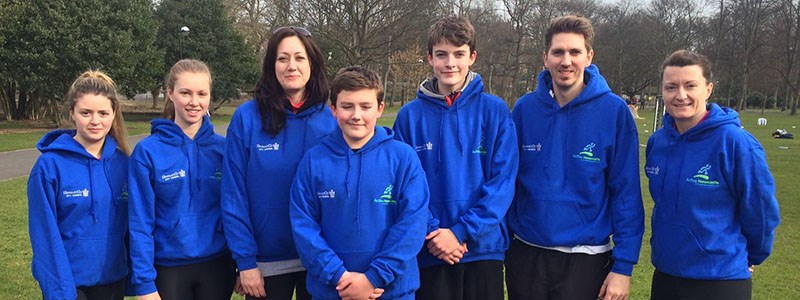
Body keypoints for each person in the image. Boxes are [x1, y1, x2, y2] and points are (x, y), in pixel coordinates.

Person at [506, 15, 645, 300]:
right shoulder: (524, 110)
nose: (565, 61)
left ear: (589, 56)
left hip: (587, 258)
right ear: (546, 58)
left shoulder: (614, 112)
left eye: (574, 52)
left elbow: (626, 193)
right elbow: (508, 182)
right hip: (527, 255)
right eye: (558, 52)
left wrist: (624, 267)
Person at [392, 16, 519, 300]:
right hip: (430, 250)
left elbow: (503, 183)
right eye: (442, 54)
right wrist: (434, 233)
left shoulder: (495, 111)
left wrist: (462, 231)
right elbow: (403, 187)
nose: (450, 63)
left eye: (459, 54)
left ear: (472, 57)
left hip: (482, 250)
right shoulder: (408, 118)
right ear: (429, 58)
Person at [645, 50, 781, 300]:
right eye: (671, 87)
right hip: (667, 275)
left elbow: (760, 211)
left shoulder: (736, 143)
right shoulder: (658, 143)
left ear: (708, 89)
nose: (680, 95)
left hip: (720, 280)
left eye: (690, 85)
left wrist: (752, 255)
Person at [290, 65, 429, 300]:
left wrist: (374, 277)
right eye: (347, 106)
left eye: (365, 106)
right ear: (333, 109)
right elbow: (304, 226)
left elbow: (412, 225)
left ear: (380, 109)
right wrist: (339, 277)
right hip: (332, 291)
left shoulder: (403, 158)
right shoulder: (314, 160)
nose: (356, 115)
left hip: (391, 291)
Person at [221, 25, 335, 300]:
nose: (291, 66)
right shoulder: (247, 118)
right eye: (282, 58)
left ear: (312, 63)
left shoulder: (332, 119)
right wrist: (245, 262)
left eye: (299, 58)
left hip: (323, 259)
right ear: (272, 65)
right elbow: (233, 194)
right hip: (266, 263)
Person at [128, 59, 235, 300]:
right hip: (168, 268)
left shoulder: (224, 149)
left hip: (218, 265)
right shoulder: (147, 152)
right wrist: (144, 282)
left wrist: (243, 261)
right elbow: (140, 221)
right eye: (185, 93)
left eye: (201, 93)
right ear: (170, 93)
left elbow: (237, 209)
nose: (194, 102)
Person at [28, 70, 131, 300]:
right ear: (72, 113)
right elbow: (44, 235)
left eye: (103, 113)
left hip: (113, 282)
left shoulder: (124, 163)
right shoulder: (49, 166)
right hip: (70, 287)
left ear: (114, 114)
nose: (95, 121)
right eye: (86, 112)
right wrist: (59, 292)